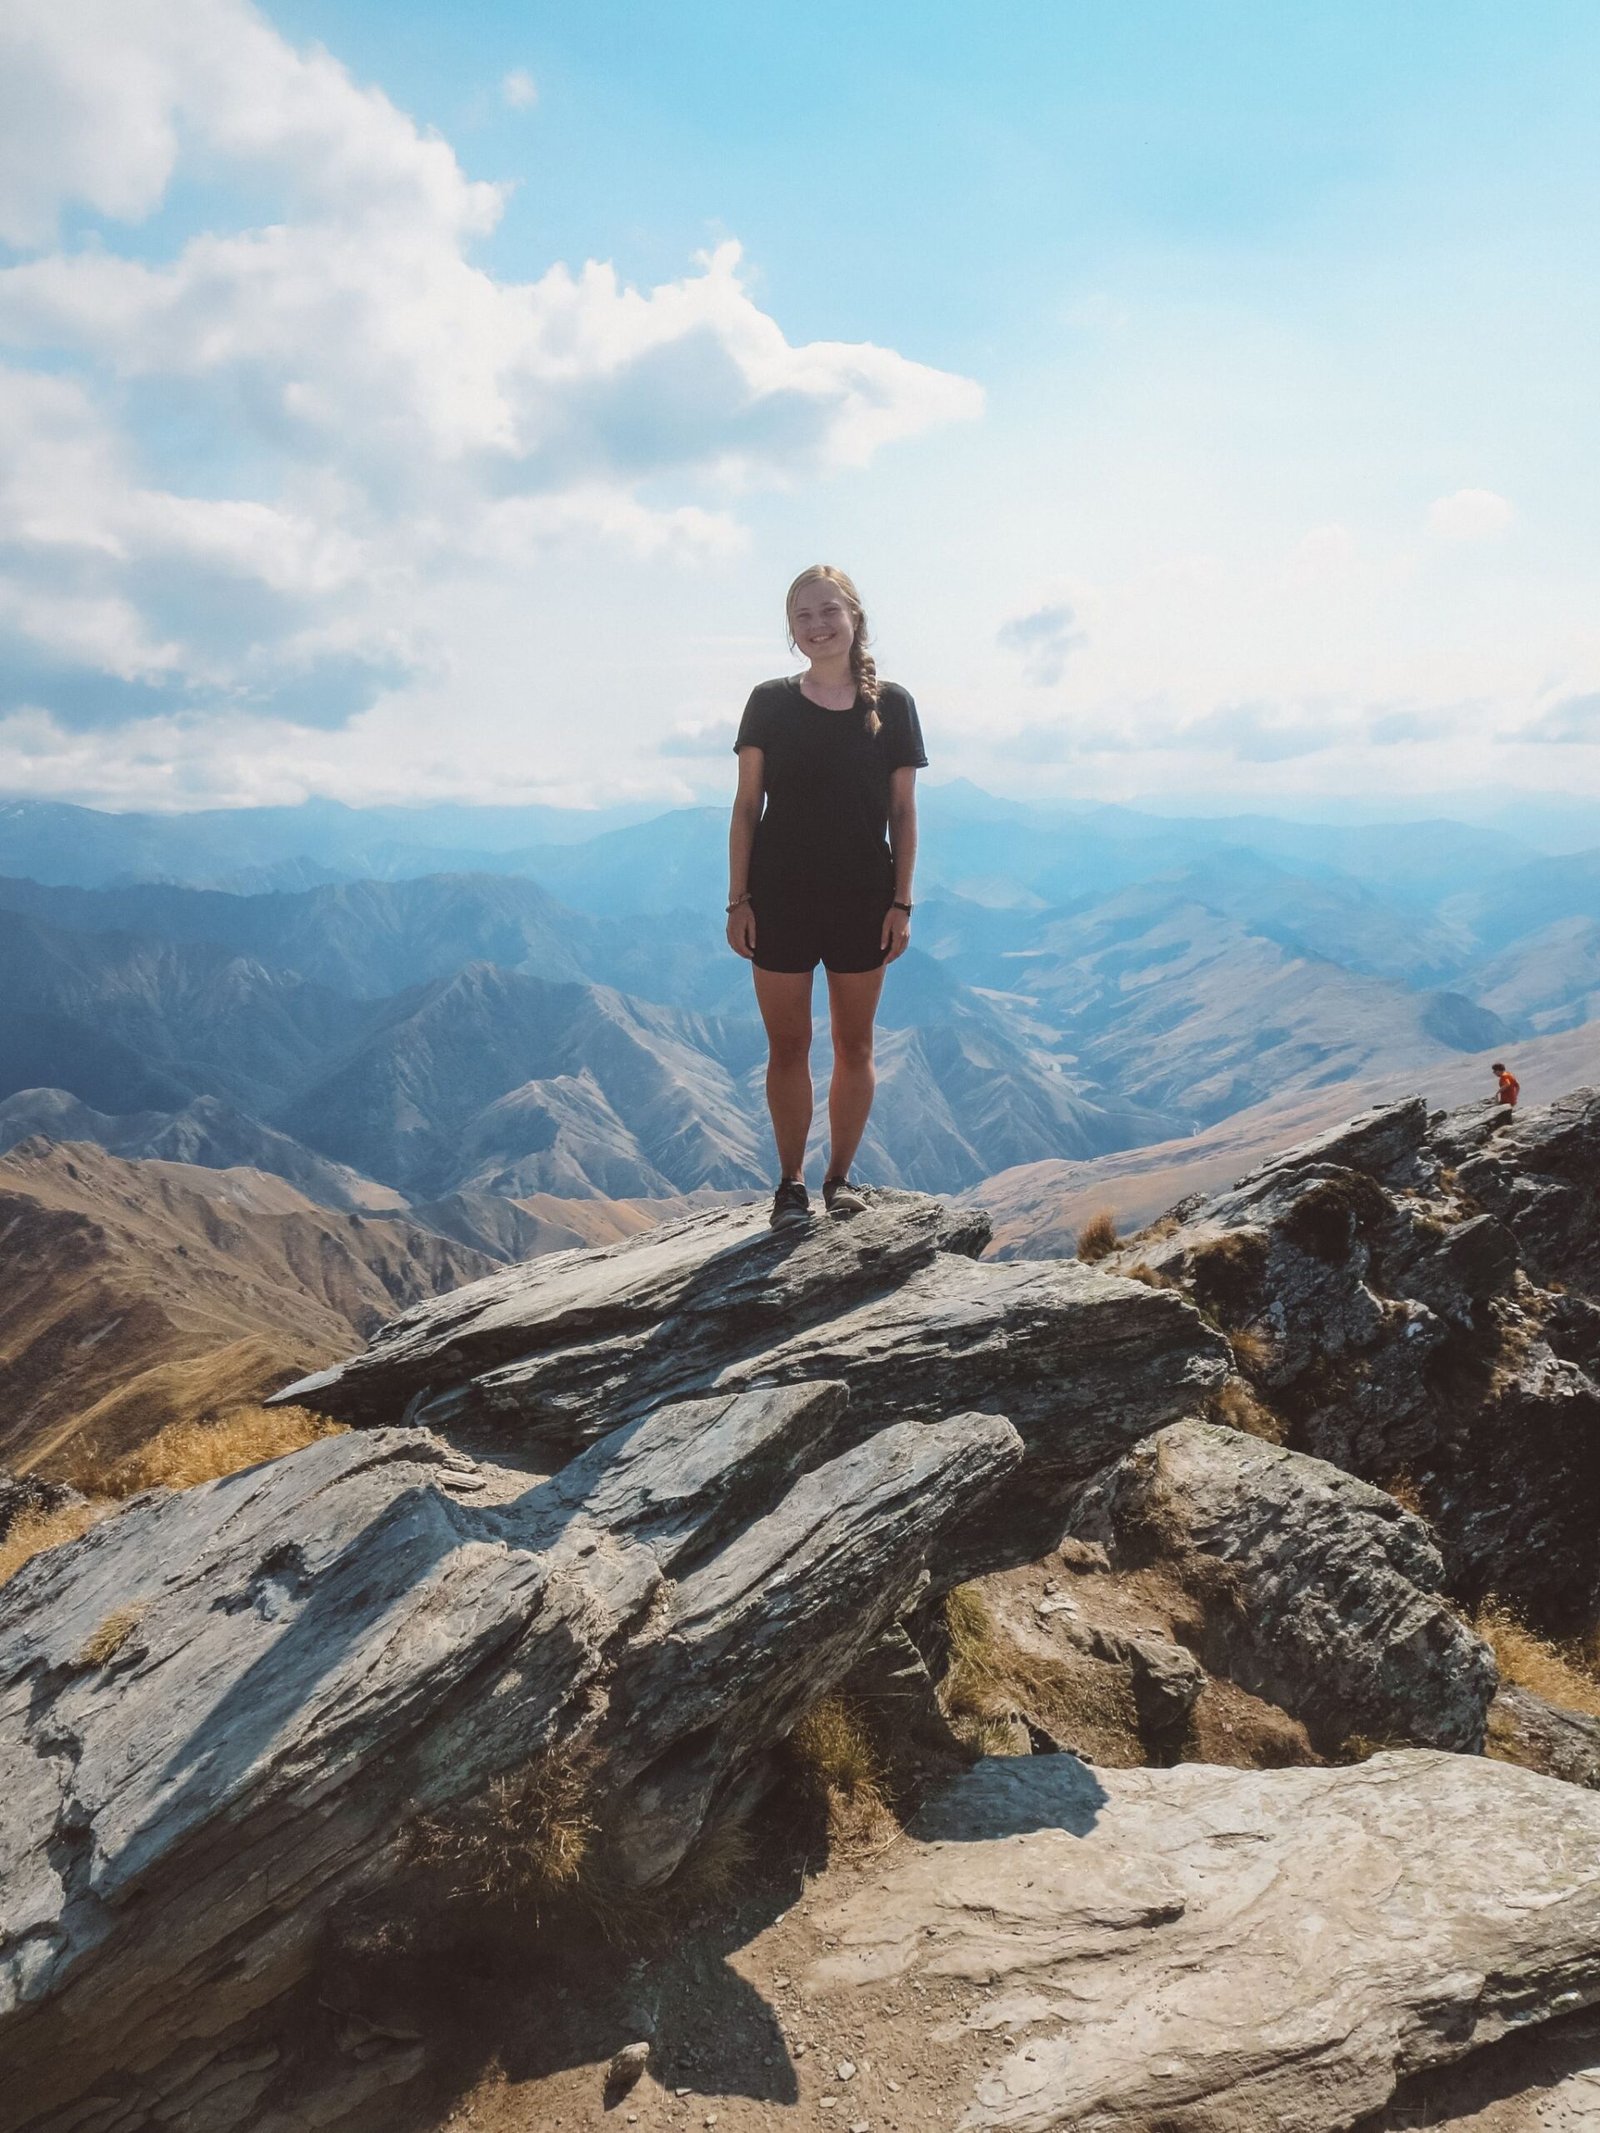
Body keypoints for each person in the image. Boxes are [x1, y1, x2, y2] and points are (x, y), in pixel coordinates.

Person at [726, 564, 926, 1228]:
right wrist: (738, 899)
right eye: (802, 616)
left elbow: (903, 810)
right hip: (778, 898)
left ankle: (839, 1178)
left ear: (854, 616)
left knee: (854, 1046)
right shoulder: (769, 701)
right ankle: (789, 1183)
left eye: (827, 611)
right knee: (787, 1046)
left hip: (863, 900)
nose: (816, 625)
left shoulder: (892, 705)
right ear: (791, 631)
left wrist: (901, 902)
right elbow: (746, 805)